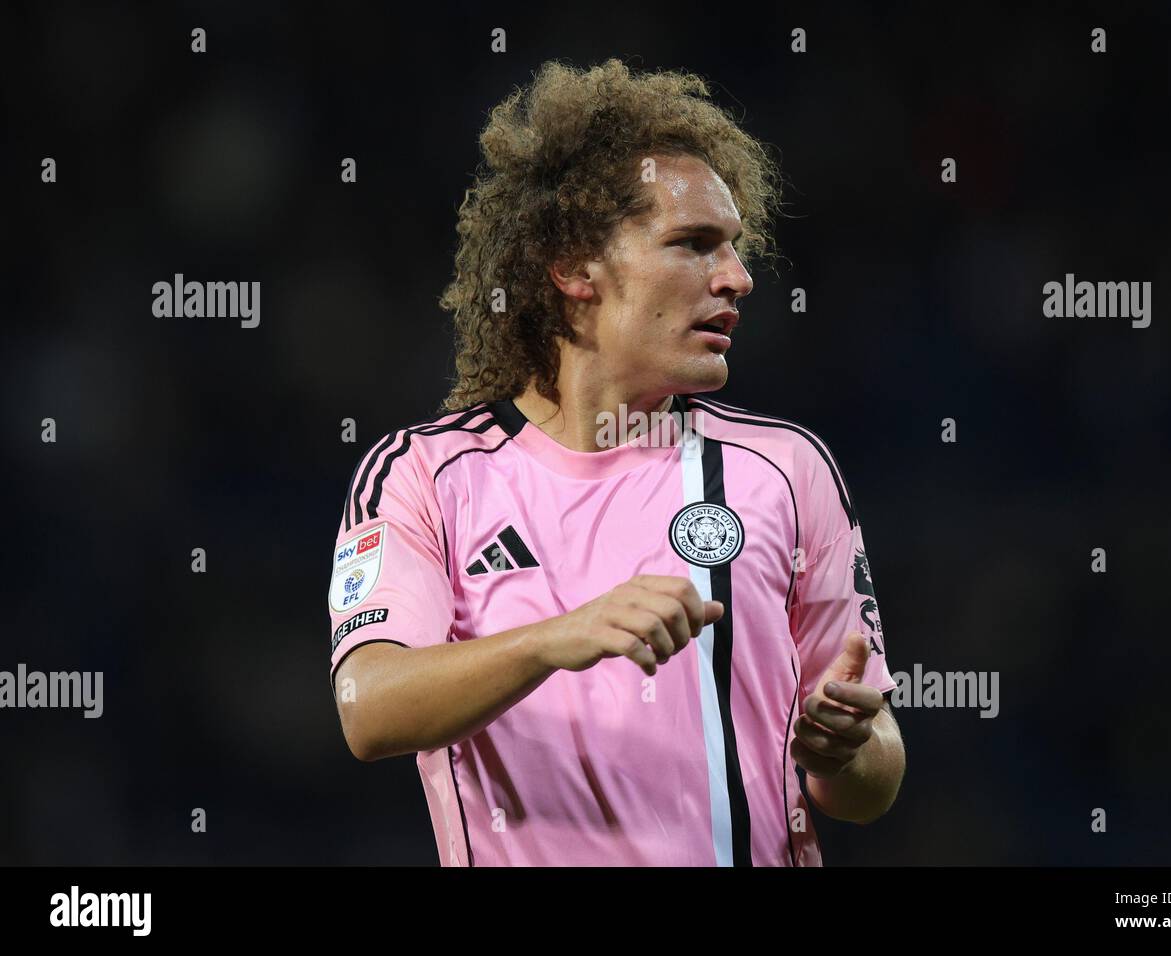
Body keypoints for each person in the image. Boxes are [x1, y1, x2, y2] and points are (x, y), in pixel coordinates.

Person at [327, 58, 905, 866]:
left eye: (734, 248)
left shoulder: (784, 469)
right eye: (693, 244)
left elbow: (871, 779)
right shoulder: (426, 476)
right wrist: (556, 638)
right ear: (574, 268)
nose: (736, 277)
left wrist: (847, 750)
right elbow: (369, 708)